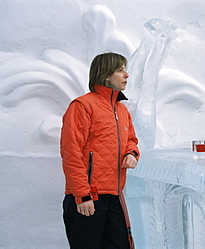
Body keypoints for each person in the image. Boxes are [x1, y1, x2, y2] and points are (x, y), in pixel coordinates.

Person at [61, 52, 140, 249]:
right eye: (120, 70)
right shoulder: (82, 106)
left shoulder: (121, 110)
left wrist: (131, 153)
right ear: (105, 75)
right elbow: (71, 153)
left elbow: (132, 139)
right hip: (87, 198)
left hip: (114, 197)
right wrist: (82, 195)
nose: (126, 75)